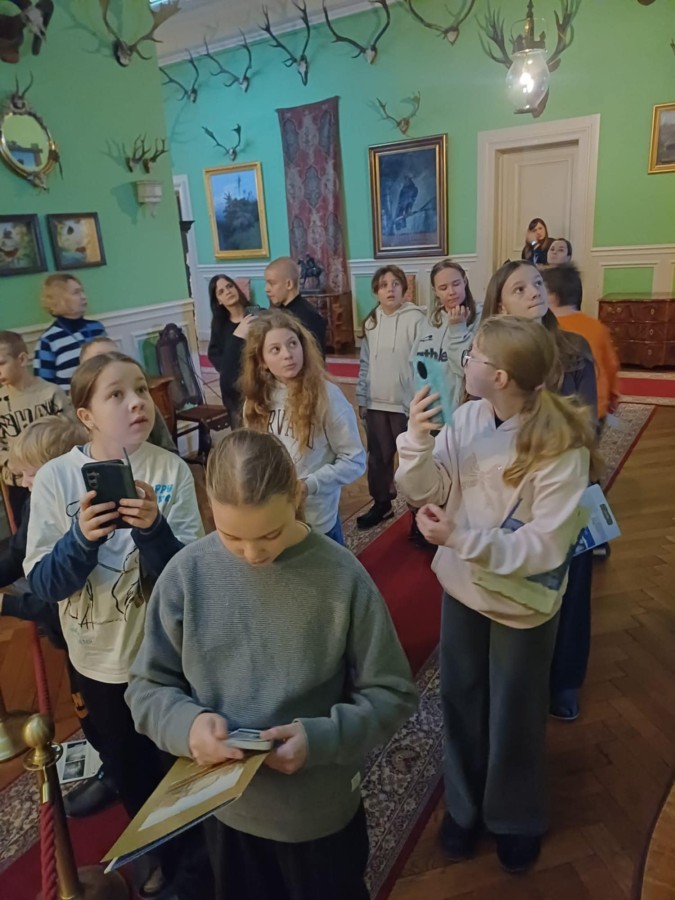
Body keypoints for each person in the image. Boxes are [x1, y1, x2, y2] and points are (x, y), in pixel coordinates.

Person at [126, 428, 418, 900]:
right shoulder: (186, 574)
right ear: (209, 506)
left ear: (297, 495)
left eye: (270, 533)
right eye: (231, 536)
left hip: (317, 815)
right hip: (226, 811)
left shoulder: (342, 576)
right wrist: (188, 726)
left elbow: (393, 695)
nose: (252, 553)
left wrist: (322, 738)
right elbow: (146, 687)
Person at [395, 316, 596, 873]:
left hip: (520, 601)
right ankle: (464, 808)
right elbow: (430, 488)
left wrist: (459, 537)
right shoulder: (467, 416)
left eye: (474, 356)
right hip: (464, 587)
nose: (465, 362)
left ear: (501, 376)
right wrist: (417, 442)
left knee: (515, 711)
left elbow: (543, 547)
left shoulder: (559, 445)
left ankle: (515, 816)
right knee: (460, 696)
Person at [24, 351, 204, 895]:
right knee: (129, 771)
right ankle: (158, 853)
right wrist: (81, 539)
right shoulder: (56, 479)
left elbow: (191, 580)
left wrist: (153, 531)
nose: (137, 403)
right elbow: (45, 584)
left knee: (180, 769)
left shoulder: (169, 470)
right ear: (86, 415)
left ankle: (194, 869)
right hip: (98, 664)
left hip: (166, 661)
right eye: (117, 394)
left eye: (141, 390)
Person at [481, 260, 598, 723]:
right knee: (513, 581)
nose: (534, 292)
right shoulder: (489, 356)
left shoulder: (573, 349)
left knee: (571, 583)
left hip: (564, 480)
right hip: (507, 486)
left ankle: (564, 679)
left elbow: (586, 422)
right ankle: (513, 675)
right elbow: (480, 422)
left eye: (536, 283)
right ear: (499, 305)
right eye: (519, 288)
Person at [0, 415, 119, 819]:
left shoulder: (79, 513)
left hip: (94, 632)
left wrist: (6, 606)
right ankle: (111, 764)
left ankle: (117, 772)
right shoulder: (36, 503)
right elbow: (19, 555)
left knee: (105, 714)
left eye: (29, 474)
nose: (23, 483)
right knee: (86, 708)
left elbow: (56, 599)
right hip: (69, 639)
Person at [241, 312, 364, 544]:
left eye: (292, 344)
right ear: (262, 361)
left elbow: (355, 460)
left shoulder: (327, 396)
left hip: (318, 523)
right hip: (275, 520)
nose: (288, 354)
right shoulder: (256, 400)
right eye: (275, 349)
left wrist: (309, 486)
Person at [355, 265, 425, 530]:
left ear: (404, 289)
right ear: (376, 291)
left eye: (396, 284)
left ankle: (420, 512)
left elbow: (423, 363)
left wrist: (418, 400)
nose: (390, 289)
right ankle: (382, 503)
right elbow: (365, 363)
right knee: (378, 458)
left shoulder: (416, 318)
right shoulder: (371, 321)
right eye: (384, 285)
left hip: (405, 405)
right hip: (376, 403)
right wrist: (362, 397)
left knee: (412, 461)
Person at [0, 330, 72, 526]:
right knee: (27, 531)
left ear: (22, 359)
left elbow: (70, 434)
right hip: (19, 483)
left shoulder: (51, 393)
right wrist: (11, 463)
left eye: (1, 363)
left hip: (55, 479)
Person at [543, 263, 620, 424]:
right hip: (595, 406)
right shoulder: (596, 326)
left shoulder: (546, 328)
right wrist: (613, 395)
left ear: (551, 296)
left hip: (560, 409)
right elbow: (611, 364)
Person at [79, 337, 177, 453]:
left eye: (116, 356)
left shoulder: (143, 404)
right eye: (100, 360)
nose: (111, 364)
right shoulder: (72, 424)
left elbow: (168, 447)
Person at [33, 274, 106, 390]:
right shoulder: (48, 340)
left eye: (82, 291)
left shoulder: (97, 328)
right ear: (59, 299)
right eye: (76, 293)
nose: (83, 297)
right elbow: (44, 387)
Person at [206, 274, 256, 428]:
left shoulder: (255, 314)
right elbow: (214, 354)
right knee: (241, 434)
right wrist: (228, 368)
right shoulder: (219, 325)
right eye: (221, 292)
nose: (228, 291)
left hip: (258, 382)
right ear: (218, 301)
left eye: (229, 286)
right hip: (234, 388)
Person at [264, 257, 327, 355]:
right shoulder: (277, 311)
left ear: (289, 284)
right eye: (266, 283)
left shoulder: (309, 316)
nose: (266, 289)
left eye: (272, 283)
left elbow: (315, 357)